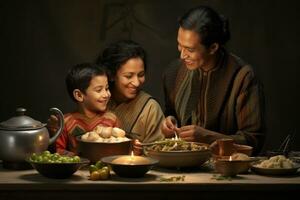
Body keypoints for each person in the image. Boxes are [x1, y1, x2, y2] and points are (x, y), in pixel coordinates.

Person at [161, 6, 265, 155]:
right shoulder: (173, 72)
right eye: (179, 45)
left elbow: (254, 141)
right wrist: (169, 121)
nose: (182, 56)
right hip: (184, 165)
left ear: (213, 47)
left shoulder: (242, 77)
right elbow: (171, 111)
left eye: (190, 50)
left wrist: (208, 137)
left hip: (228, 168)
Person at [97, 40, 165, 144]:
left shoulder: (151, 108)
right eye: (128, 76)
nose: (137, 83)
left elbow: (157, 152)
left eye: (141, 74)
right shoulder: (99, 100)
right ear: (111, 75)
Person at [54, 63, 118, 155]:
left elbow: (120, 147)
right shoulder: (65, 122)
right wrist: (78, 158)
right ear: (79, 95)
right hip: (77, 169)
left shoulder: (111, 119)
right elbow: (57, 151)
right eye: (99, 90)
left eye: (107, 88)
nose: (106, 94)